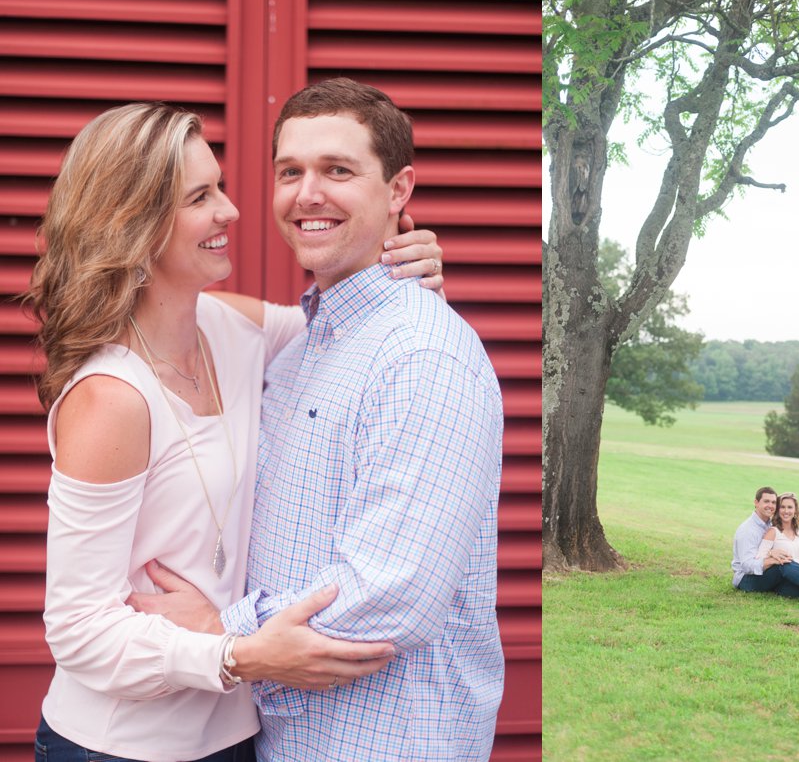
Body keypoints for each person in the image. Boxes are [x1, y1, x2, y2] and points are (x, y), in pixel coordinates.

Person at [23, 101, 446, 761]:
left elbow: (357, 331)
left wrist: (408, 264)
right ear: (135, 224)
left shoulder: (232, 328)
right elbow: (78, 630)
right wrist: (236, 654)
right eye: (200, 197)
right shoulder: (112, 397)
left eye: (218, 186)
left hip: (236, 736)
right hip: (119, 745)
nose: (232, 210)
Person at [130, 79, 505, 761]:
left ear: (398, 190)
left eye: (337, 170)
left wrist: (220, 631)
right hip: (284, 739)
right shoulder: (300, 347)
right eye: (289, 172)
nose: (307, 194)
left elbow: (392, 597)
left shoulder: (422, 355)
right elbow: (160, 306)